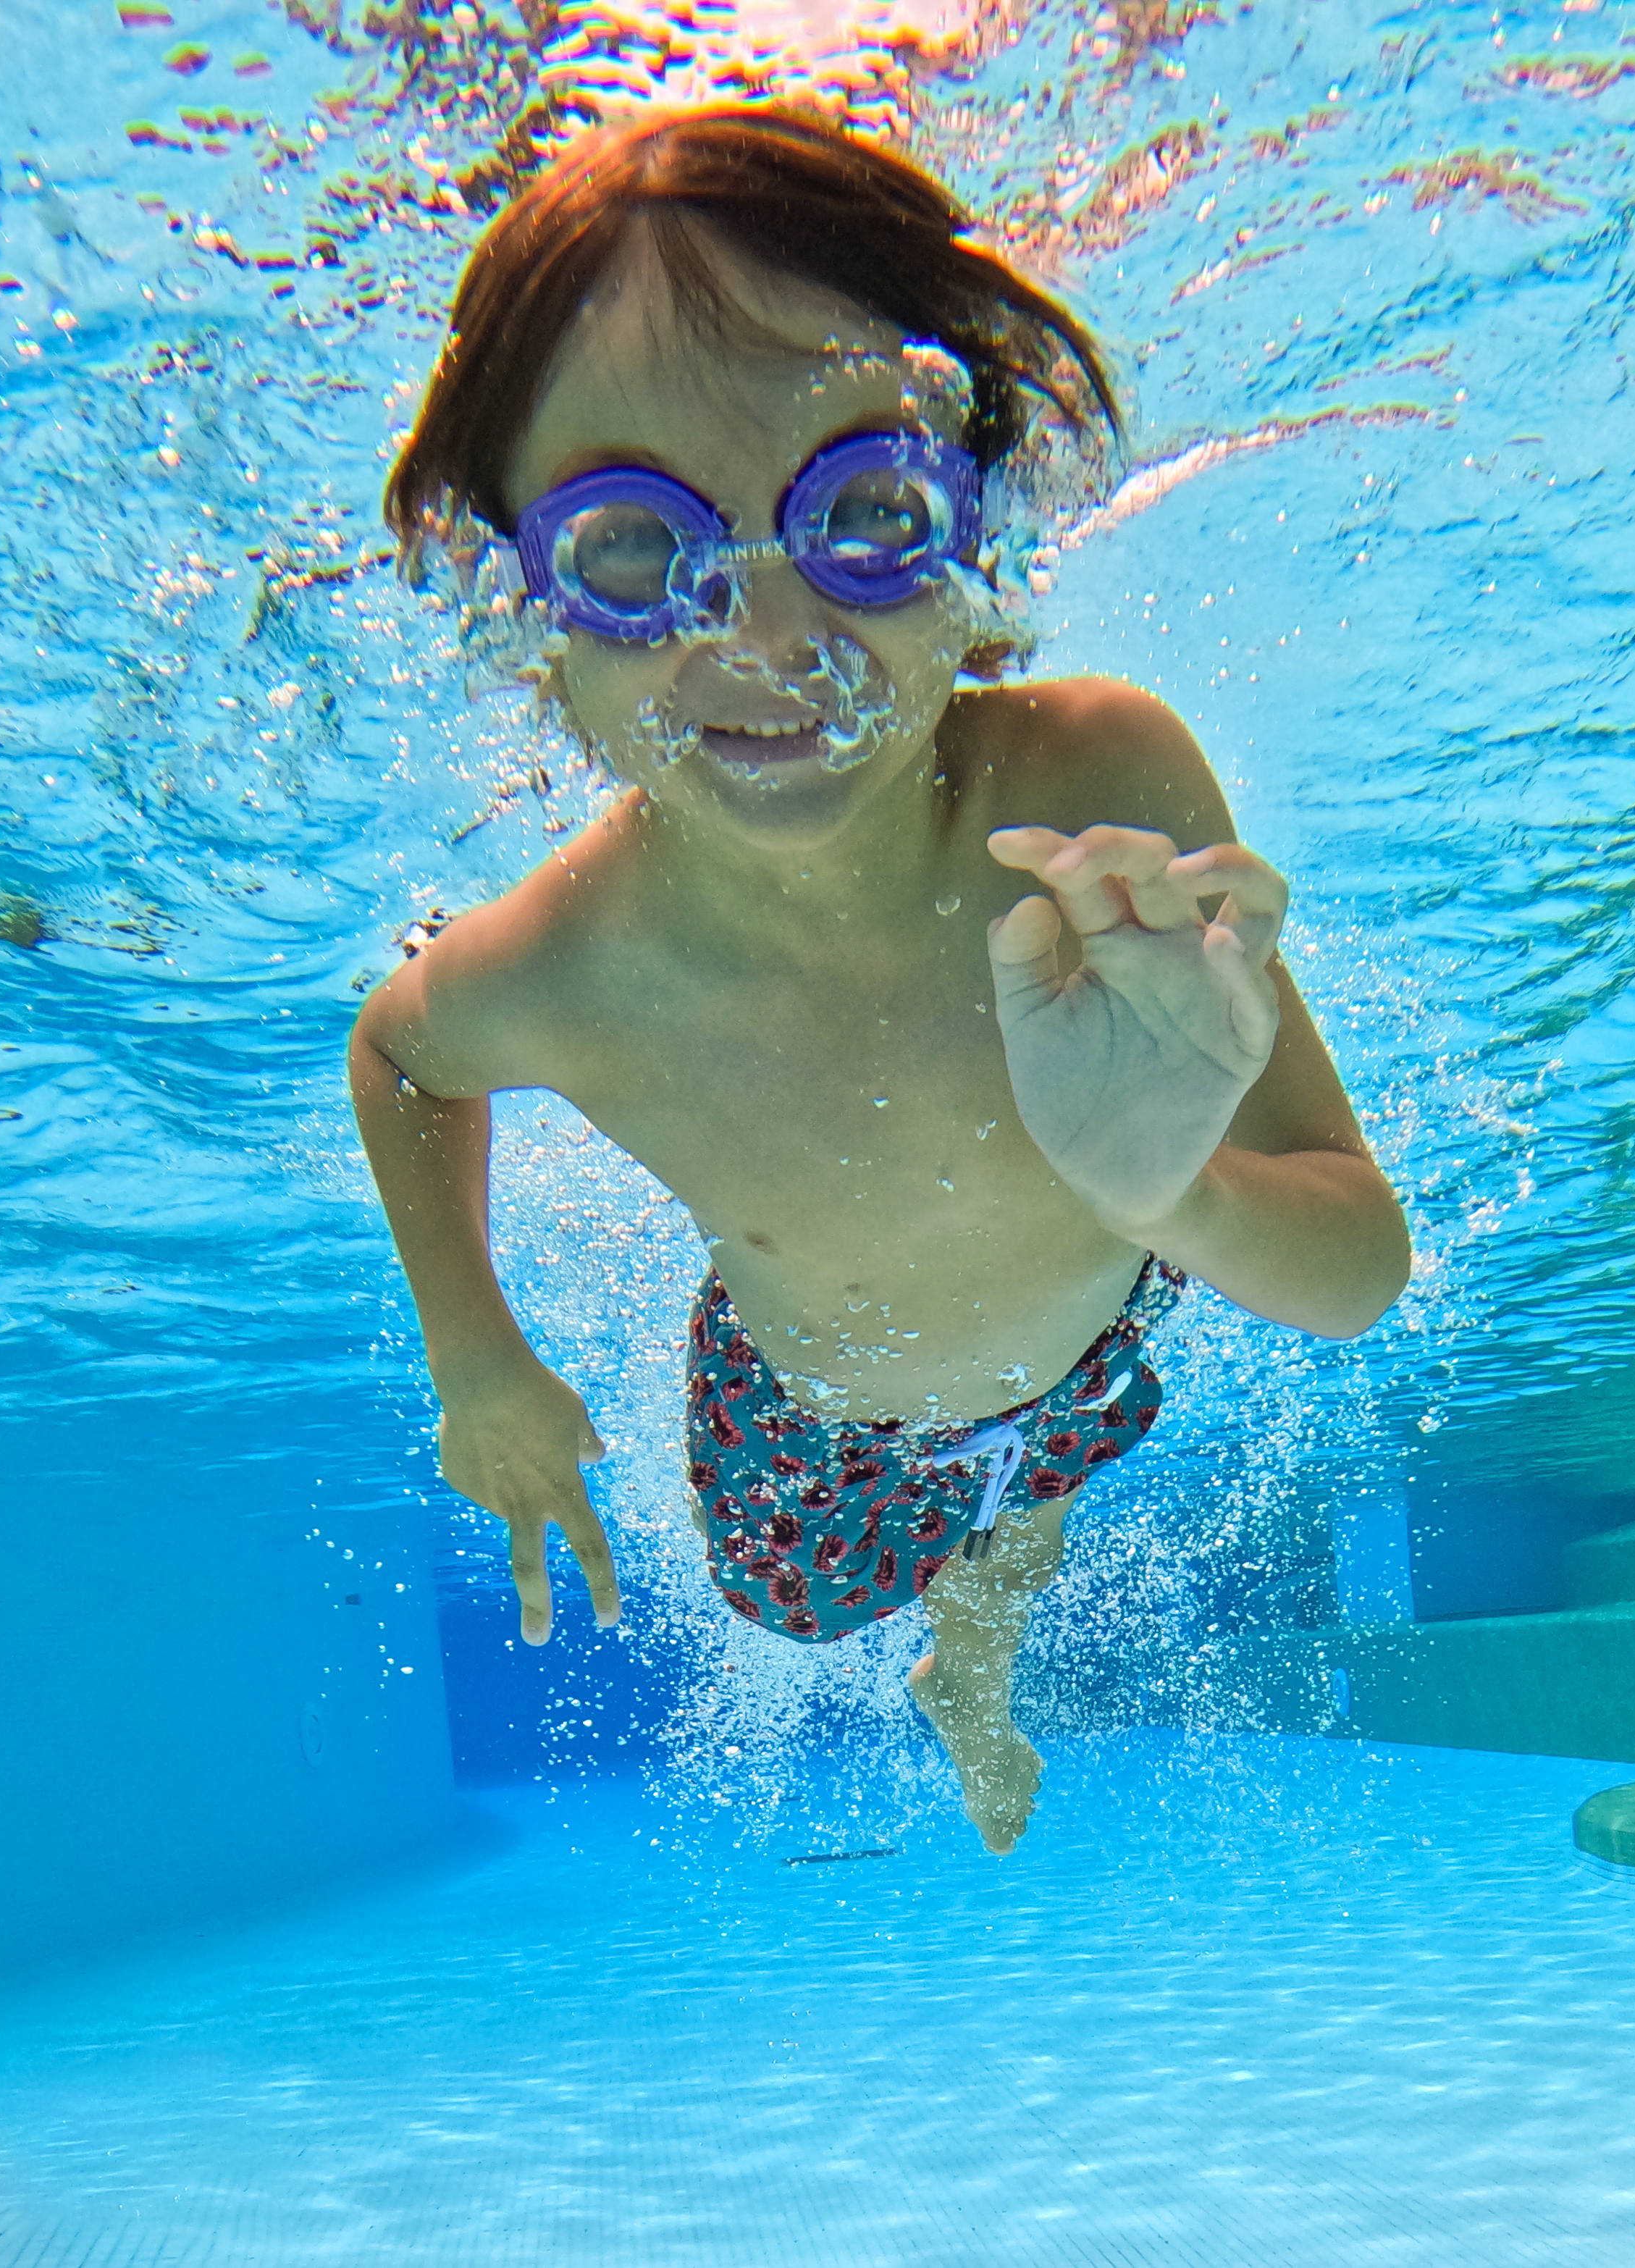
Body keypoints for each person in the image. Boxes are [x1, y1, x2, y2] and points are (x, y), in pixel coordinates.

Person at [348, 103, 1410, 1855]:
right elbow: (401, 1057)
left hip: (1091, 1339)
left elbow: (1356, 1265)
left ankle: (971, 1671)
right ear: (516, 605)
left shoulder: (1095, 797)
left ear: (976, 528)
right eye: (634, 552)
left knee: (1035, 1480)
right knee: (803, 1598)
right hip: (807, 1424)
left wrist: (1172, 1190)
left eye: (864, 512)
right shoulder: (568, 961)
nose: (768, 637)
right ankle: (958, 1636)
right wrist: (479, 1360)